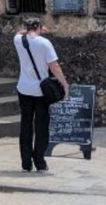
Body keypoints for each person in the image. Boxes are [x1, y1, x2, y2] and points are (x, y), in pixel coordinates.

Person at [13, 17, 69, 172]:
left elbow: (19, 32)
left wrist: (31, 30)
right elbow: (54, 65)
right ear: (39, 27)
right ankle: (39, 160)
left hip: (23, 88)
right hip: (40, 91)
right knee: (41, 125)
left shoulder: (18, 40)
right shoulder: (44, 43)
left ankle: (26, 161)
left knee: (26, 124)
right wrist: (64, 84)